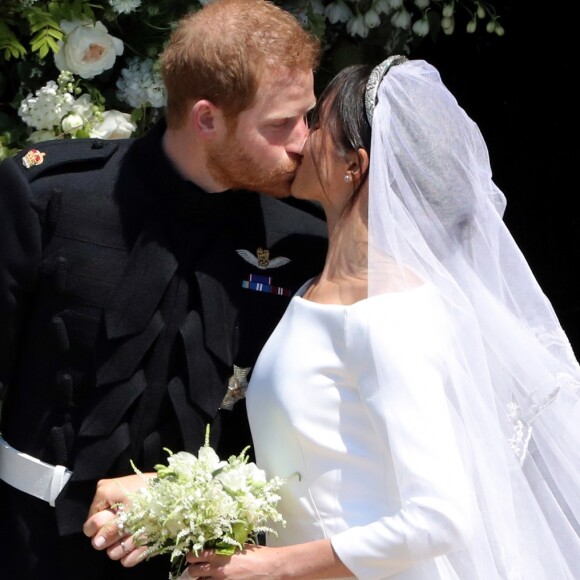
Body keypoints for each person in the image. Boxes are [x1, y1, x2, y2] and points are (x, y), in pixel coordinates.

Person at [84, 59, 580, 578]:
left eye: (318, 123)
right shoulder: (314, 291)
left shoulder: (390, 317)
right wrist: (171, 496)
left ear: (355, 166)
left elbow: (440, 519)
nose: (300, 137)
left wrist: (274, 565)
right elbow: (314, 470)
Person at [0, 1, 327, 579]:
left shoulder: (302, 242)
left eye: (307, 117)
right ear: (207, 117)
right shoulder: (50, 199)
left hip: (206, 564)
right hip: (28, 548)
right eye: (280, 124)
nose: (304, 142)